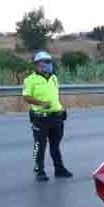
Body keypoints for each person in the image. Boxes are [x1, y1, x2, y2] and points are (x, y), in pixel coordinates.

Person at [22, 51, 72, 182]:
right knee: (39, 146)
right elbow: (26, 97)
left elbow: (54, 96)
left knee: (55, 145)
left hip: (56, 117)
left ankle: (59, 169)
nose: (49, 64)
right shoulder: (30, 79)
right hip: (40, 118)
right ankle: (39, 171)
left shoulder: (54, 78)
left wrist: (61, 108)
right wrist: (41, 103)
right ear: (38, 64)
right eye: (46, 62)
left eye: (50, 61)